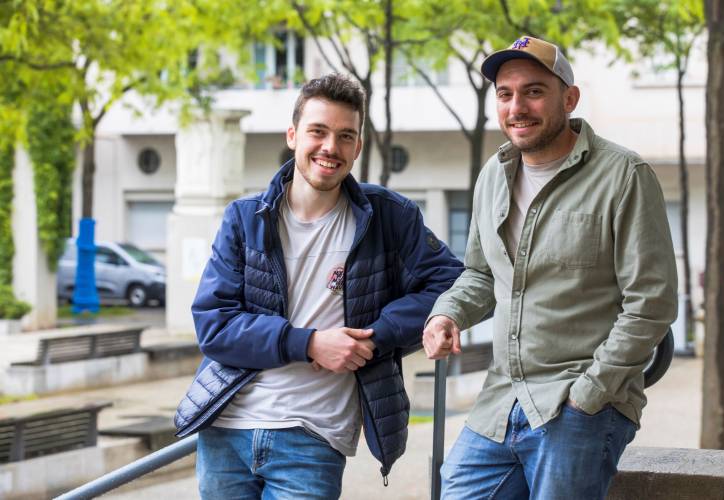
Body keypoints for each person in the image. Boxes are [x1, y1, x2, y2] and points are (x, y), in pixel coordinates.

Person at [174, 73, 463, 499]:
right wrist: (308, 344)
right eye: (318, 131)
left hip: (312, 437)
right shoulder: (245, 218)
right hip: (226, 433)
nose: (331, 147)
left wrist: (375, 337)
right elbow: (214, 326)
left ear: (358, 146)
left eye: (346, 136)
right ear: (293, 136)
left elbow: (451, 281)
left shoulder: (388, 216)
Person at [422, 36, 678, 500]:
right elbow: (481, 274)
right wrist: (448, 313)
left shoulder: (624, 176)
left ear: (570, 97)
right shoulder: (492, 176)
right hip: (501, 399)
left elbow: (652, 305)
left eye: (534, 91)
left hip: (579, 404)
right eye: (505, 94)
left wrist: (589, 395)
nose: (517, 106)